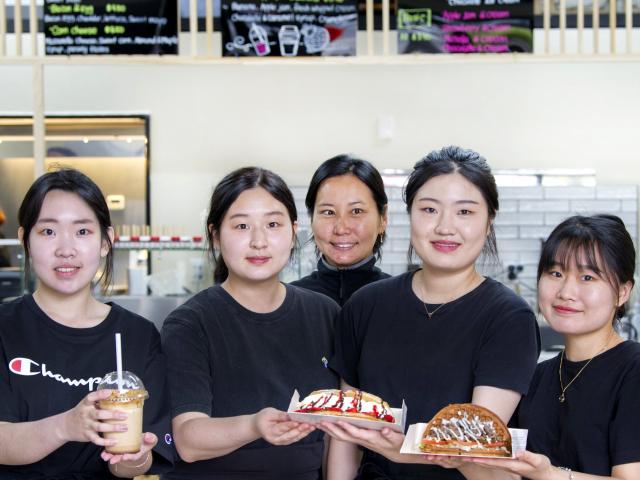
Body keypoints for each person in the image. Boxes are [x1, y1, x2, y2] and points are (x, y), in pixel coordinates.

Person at [321, 146, 540, 480]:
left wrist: (406, 448)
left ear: (489, 220)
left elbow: (475, 453)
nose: (445, 227)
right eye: (429, 209)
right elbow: (347, 436)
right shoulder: (365, 306)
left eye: (465, 212)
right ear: (409, 214)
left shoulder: (508, 318)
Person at [161, 167, 340, 479]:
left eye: (273, 224)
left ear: (293, 230)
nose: (259, 241)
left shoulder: (325, 314)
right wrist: (255, 425)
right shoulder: (190, 324)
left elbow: (338, 429)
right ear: (215, 235)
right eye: (242, 226)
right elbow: (188, 439)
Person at [0, 169, 174, 479]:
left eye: (82, 232)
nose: (66, 249)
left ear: (106, 242)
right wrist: (66, 426)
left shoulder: (138, 336)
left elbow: (138, 459)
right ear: (25, 239)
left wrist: (132, 457)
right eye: (48, 232)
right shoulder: (5, 327)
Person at [452, 214, 640, 480]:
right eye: (556, 273)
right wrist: (460, 459)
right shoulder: (536, 377)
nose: (566, 291)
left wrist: (551, 474)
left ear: (622, 292)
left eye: (587, 277)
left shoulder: (633, 370)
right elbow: (511, 476)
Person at [291, 154, 389, 305]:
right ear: (312, 219)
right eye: (328, 212)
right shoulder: (290, 301)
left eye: (356, 211)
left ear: (383, 219)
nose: (341, 229)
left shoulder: (401, 300)